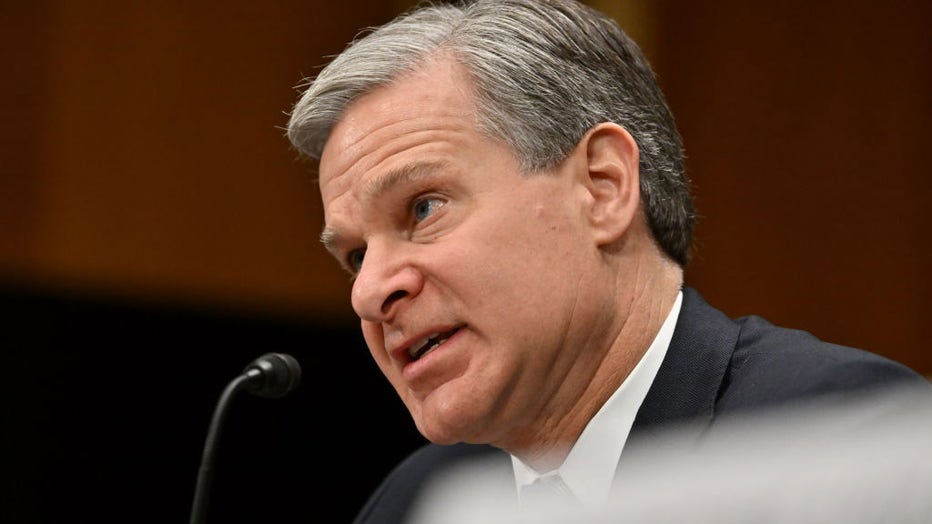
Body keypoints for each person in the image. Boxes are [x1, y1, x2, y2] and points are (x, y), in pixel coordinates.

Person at [284, 1, 932, 522]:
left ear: (602, 187)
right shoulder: (415, 505)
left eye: (422, 208)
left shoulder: (839, 438)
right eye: (356, 254)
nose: (369, 293)